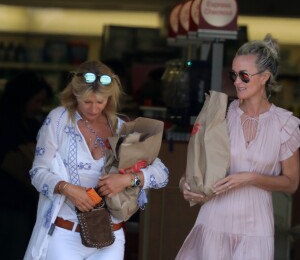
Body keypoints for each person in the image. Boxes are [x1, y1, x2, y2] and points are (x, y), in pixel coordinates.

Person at [24, 60, 169, 260]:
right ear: (75, 95)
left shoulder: (121, 127)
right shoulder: (58, 119)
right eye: (87, 102)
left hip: (111, 236)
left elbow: (162, 174)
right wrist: (67, 188)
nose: (93, 108)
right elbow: (37, 172)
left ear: (109, 99)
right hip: (64, 233)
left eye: (100, 102)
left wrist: (128, 180)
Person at [176, 34, 300, 260]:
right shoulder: (219, 113)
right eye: (233, 75)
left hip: (256, 227)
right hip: (214, 219)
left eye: (244, 76)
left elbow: (291, 183)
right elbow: (191, 170)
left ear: (264, 77)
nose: (236, 82)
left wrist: (250, 178)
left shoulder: (285, 124)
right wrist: (185, 184)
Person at [0, 70, 53, 260]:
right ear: (23, 98)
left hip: (22, 204)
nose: (39, 107)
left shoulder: (31, 125)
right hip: (8, 204)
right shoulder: (6, 124)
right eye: (37, 101)